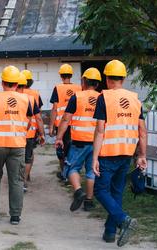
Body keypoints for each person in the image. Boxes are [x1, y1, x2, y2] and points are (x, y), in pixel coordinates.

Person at [92, 60, 147, 246]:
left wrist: (94, 158)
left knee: (100, 190)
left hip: (108, 153)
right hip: (126, 154)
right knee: (116, 192)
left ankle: (124, 220)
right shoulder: (135, 99)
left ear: (107, 78)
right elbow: (142, 131)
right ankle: (109, 233)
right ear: (123, 78)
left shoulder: (104, 97)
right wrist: (142, 155)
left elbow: (100, 130)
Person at [0, 65, 32, 225]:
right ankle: (15, 216)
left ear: (2, 82)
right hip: (18, 145)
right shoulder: (25, 99)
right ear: (17, 83)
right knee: (16, 179)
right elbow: (29, 120)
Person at [55, 68, 101, 212]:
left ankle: (78, 191)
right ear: (98, 83)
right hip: (96, 142)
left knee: (71, 168)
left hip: (79, 141)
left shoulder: (77, 97)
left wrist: (59, 137)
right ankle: (89, 201)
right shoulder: (102, 98)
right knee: (91, 171)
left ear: (84, 81)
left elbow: (66, 119)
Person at [49, 64, 81, 181]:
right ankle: (71, 172)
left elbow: (54, 108)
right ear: (71, 75)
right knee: (72, 149)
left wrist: (51, 126)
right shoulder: (78, 88)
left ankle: (64, 174)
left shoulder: (57, 88)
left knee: (61, 149)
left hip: (62, 124)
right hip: (76, 124)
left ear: (61, 76)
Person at [16, 73, 45, 192]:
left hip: (16, 134)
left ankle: (17, 179)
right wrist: (42, 132)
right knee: (28, 157)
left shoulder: (12, 98)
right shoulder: (32, 97)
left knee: (17, 157)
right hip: (29, 133)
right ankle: (24, 181)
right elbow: (38, 117)